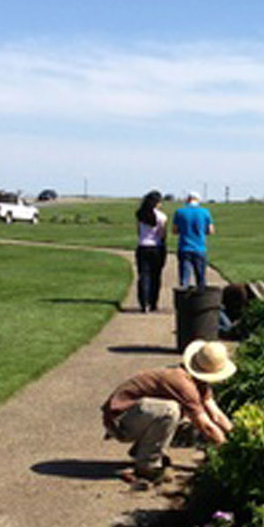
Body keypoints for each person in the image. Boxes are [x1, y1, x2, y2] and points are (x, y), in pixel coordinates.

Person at [101, 340, 236, 483]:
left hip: (136, 415)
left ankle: (143, 449)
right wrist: (227, 450)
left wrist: (235, 434)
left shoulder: (198, 382)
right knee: (170, 411)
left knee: (179, 413)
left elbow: (216, 414)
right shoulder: (182, 384)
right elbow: (206, 426)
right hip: (120, 420)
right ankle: (147, 466)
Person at [134, 190, 168, 313]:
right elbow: (162, 233)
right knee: (156, 276)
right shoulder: (162, 216)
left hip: (143, 246)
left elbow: (139, 231)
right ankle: (153, 302)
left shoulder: (140, 214)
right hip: (156, 247)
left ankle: (143, 302)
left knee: (144, 275)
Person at [173, 191, 214, 289]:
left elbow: (175, 231)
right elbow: (211, 230)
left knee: (184, 278)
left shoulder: (179, 212)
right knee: (200, 277)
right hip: (199, 247)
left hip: (184, 247)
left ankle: (183, 299)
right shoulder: (205, 212)